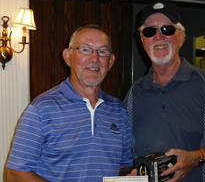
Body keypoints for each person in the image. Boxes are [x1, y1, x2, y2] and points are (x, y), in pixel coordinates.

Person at [123, 1, 205, 182]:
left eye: (167, 30)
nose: (158, 37)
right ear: (142, 40)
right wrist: (128, 174)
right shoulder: (133, 93)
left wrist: (198, 156)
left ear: (182, 36)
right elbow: (124, 151)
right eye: (150, 31)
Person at [6, 24, 136, 182]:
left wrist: (129, 176)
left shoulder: (119, 111)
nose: (94, 59)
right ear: (68, 57)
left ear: (110, 61)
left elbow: (124, 164)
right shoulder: (41, 109)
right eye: (85, 50)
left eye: (102, 51)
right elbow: (15, 174)